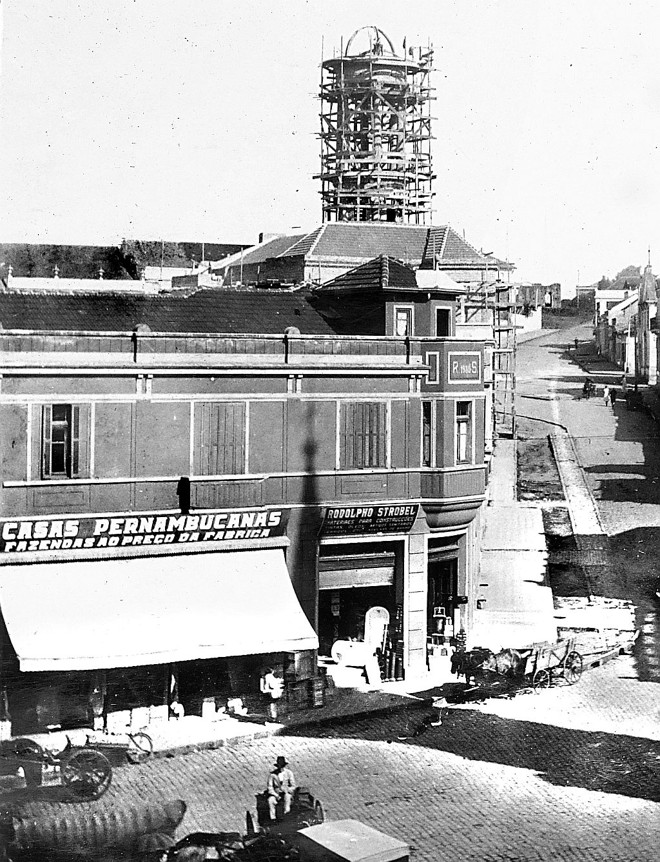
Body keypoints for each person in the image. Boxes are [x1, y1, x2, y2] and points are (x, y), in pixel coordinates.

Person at [267, 755, 295, 821]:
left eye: (282, 766)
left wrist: (287, 790)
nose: (280, 767)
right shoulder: (272, 775)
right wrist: (276, 795)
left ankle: (286, 813)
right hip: (276, 794)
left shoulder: (289, 773)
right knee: (270, 800)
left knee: (287, 797)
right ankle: (273, 818)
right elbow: (270, 788)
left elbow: (293, 786)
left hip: (286, 793)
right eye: (279, 765)